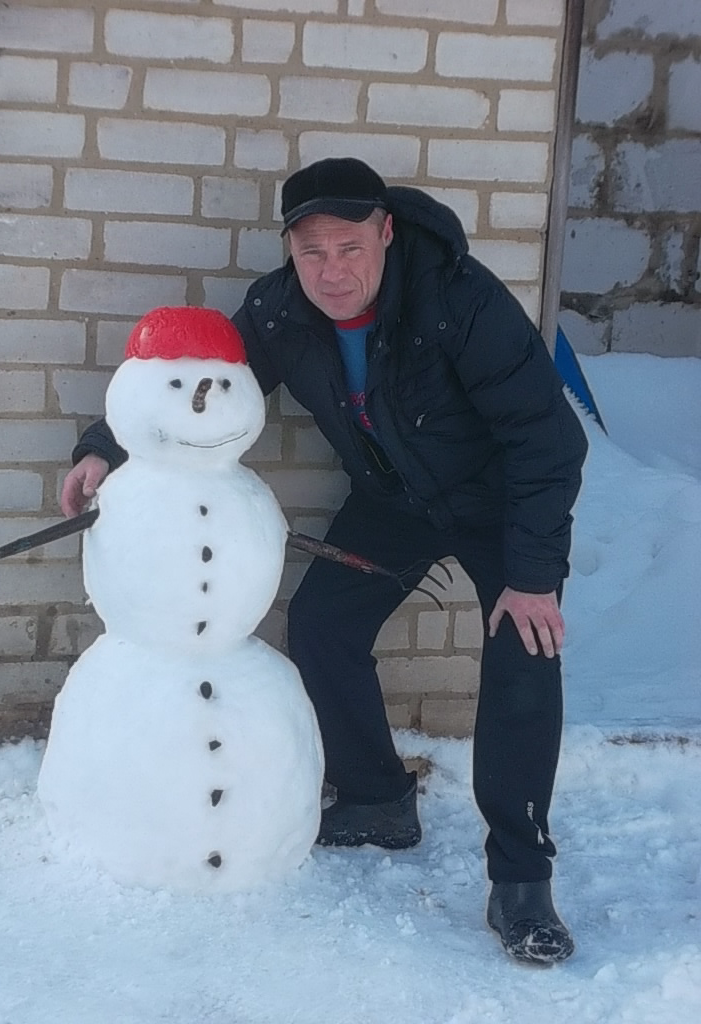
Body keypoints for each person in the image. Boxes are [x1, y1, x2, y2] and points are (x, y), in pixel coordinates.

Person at [61, 157, 588, 965]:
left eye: (349, 248)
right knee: (321, 624)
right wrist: (104, 449)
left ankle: (522, 881)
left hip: (499, 503)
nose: (332, 271)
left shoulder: (457, 298)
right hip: (396, 499)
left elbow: (548, 438)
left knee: (525, 649)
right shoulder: (279, 313)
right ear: (289, 250)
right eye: (312, 252)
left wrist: (533, 577)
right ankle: (378, 800)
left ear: (385, 233)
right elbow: (197, 383)